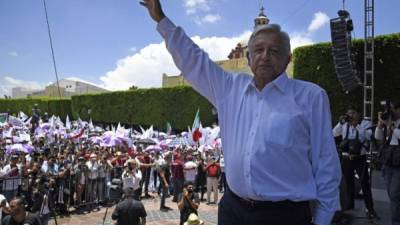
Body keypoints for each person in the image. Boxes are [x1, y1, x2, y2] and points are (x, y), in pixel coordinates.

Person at [141, 1, 341, 224]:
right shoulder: (230, 88)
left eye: (274, 50)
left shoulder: (311, 97)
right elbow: (193, 59)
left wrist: (323, 219)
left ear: (288, 58)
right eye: (258, 50)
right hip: (232, 210)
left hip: (283, 215)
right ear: (248, 58)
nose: (265, 56)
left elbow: (326, 163)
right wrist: (161, 19)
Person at [332, 106, 377, 218]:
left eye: (352, 113)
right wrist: (341, 123)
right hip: (346, 157)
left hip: (359, 158)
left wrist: (357, 126)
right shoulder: (344, 124)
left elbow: (370, 136)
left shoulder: (365, 124)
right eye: (349, 113)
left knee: (364, 183)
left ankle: (370, 208)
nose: (350, 116)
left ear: (358, 114)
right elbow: (333, 133)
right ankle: (349, 204)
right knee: (347, 182)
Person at [375, 100, 400, 225]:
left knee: (395, 195)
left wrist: (390, 125)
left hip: (398, 165)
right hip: (388, 162)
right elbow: (378, 137)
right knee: (392, 194)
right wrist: (380, 125)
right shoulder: (390, 123)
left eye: (392, 109)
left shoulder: (394, 125)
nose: (390, 112)